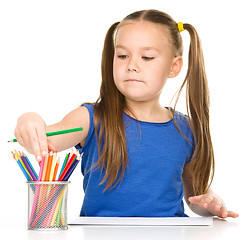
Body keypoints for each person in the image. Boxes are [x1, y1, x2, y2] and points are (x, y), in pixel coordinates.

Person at [14, 9, 238, 218]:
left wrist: (210, 202)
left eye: (147, 57)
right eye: (122, 56)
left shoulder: (186, 129)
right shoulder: (91, 117)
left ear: (174, 66)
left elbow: (194, 198)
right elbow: (44, 140)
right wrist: (29, 121)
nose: (132, 65)